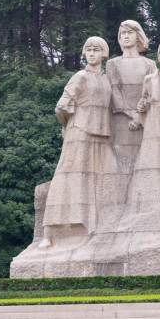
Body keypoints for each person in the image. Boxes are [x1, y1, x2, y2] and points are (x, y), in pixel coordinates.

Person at [39, 37, 120, 248]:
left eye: (96, 49)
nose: (92, 53)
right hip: (80, 132)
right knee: (68, 177)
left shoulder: (105, 79)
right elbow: (62, 107)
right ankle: (49, 232)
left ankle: (90, 226)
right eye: (88, 50)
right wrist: (70, 126)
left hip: (101, 134)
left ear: (104, 53)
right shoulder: (80, 76)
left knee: (96, 180)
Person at [120, 40, 160, 229]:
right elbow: (144, 102)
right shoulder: (150, 79)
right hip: (153, 128)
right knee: (149, 165)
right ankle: (146, 208)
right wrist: (140, 111)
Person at [106, 20, 157, 177]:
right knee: (122, 160)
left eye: (130, 33)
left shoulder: (150, 64)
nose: (126, 36)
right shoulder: (112, 63)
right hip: (121, 120)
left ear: (138, 35)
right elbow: (114, 91)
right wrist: (132, 114)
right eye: (123, 33)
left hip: (145, 119)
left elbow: (153, 92)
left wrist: (140, 115)